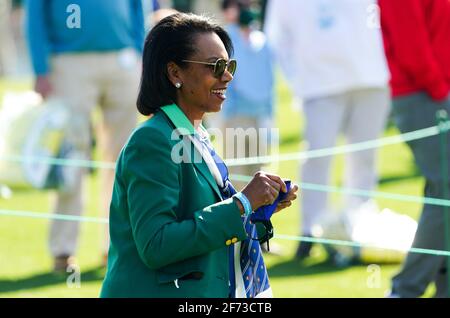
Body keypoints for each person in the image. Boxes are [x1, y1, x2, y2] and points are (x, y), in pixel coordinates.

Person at [100, 13, 298, 298]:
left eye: (229, 64)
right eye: (215, 66)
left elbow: (199, 222)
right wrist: (242, 203)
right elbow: (157, 244)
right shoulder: (152, 140)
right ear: (175, 73)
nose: (227, 76)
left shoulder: (195, 133)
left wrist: (254, 208)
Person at [265, 0, 390, 260]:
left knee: (364, 158)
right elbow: (277, 36)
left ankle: (357, 229)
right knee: (317, 158)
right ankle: (310, 230)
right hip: (318, 85)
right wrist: (298, 80)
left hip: (371, 78)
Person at [25, 0, 144, 271]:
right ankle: (63, 249)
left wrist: (138, 49)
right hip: (68, 63)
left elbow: (139, 6)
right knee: (71, 158)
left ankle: (117, 246)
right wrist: (40, 68)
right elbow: (35, 14)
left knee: (125, 160)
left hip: (122, 60)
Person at [379, 0, 450, 298]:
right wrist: (440, 90)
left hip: (437, 92)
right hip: (424, 95)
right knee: (445, 190)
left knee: (443, 191)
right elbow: (411, 45)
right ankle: (405, 290)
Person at [220, 0, 275, 191]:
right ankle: (238, 219)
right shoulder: (225, 40)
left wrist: (269, 115)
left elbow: (270, 80)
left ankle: (257, 220)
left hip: (259, 114)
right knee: (236, 173)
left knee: (258, 173)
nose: (245, 11)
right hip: (236, 114)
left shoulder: (261, 40)